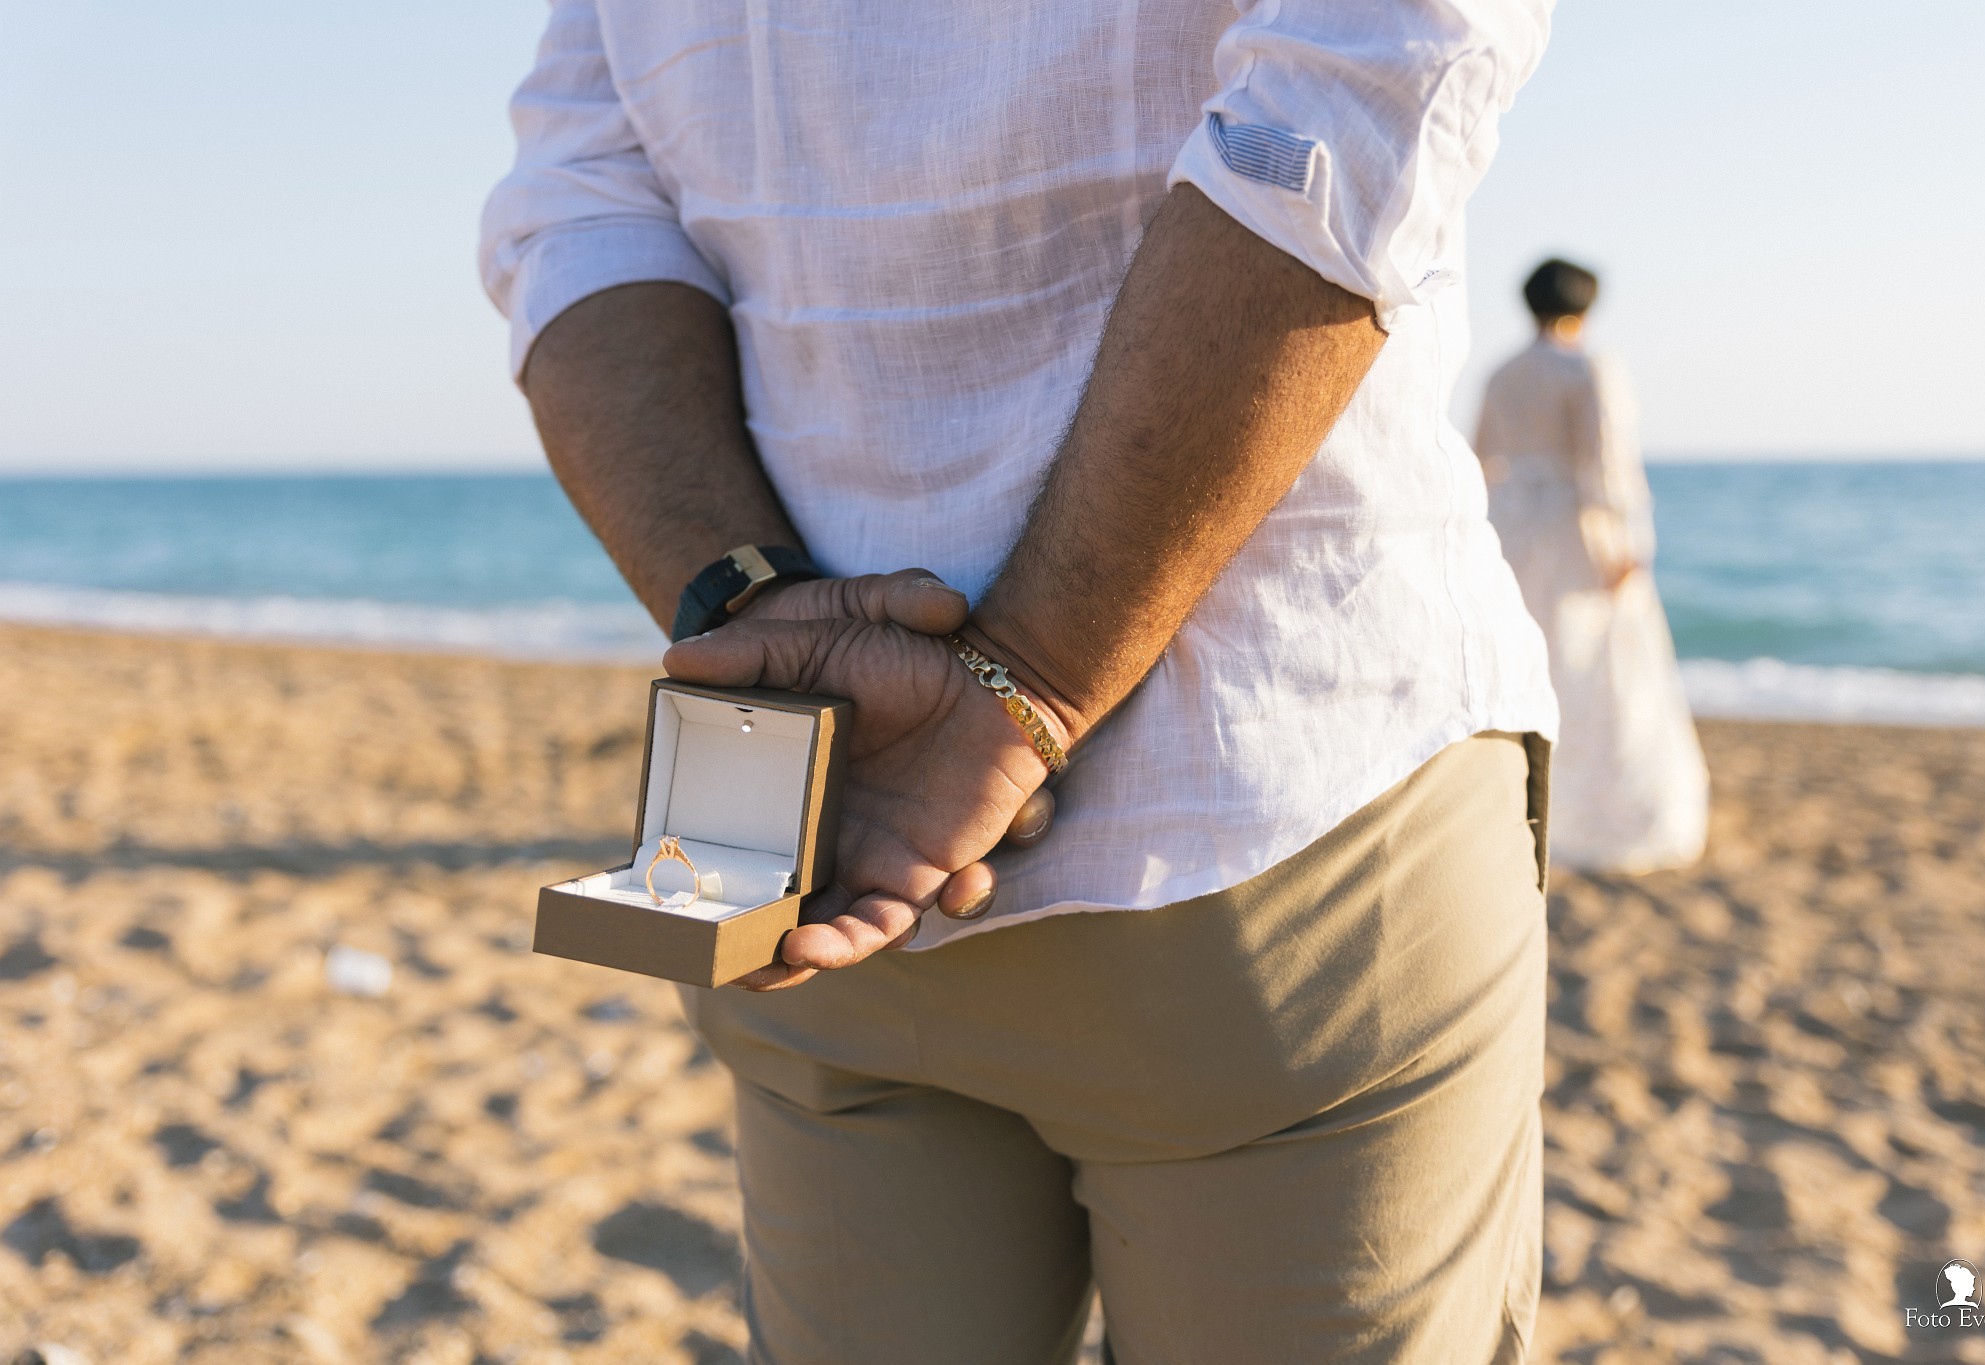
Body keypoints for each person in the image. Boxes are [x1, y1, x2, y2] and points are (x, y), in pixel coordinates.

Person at [481, 3, 1558, 1360]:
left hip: (824, 822)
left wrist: (755, 608)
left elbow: (572, 209)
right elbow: (1362, 88)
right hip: (1269, 810)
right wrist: (1026, 683)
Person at [1475, 259, 1709, 873]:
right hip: (1577, 535)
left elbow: (1480, 458)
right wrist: (1630, 544)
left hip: (1512, 531)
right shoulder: (1590, 367)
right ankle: (1602, 821)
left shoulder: (1502, 373)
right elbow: (1608, 469)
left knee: (1533, 666)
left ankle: (1521, 809)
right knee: (1599, 668)